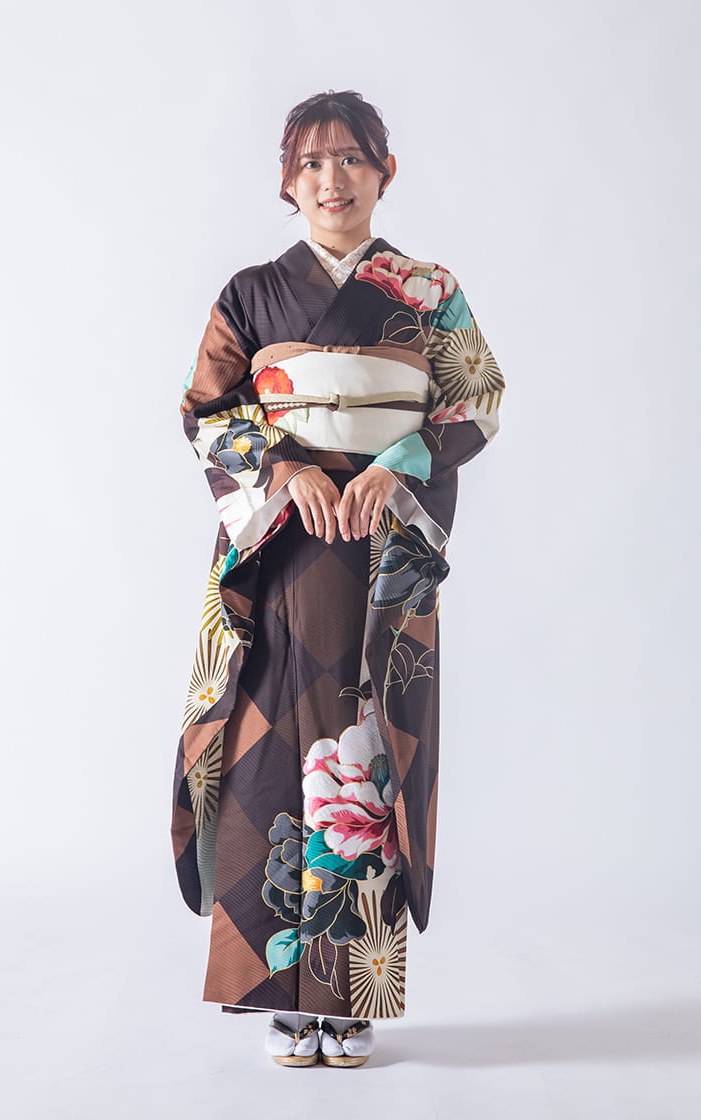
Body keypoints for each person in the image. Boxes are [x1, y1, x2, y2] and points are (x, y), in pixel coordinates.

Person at [170, 89, 505, 1068]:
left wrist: (396, 468)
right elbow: (206, 408)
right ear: (288, 180)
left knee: (367, 753)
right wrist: (285, 468)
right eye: (311, 163)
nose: (332, 180)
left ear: (384, 172)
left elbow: (477, 400)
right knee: (266, 749)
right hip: (281, 547)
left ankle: (348, 995)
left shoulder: (427, 291)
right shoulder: (250, 293)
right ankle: (279, 996)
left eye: (351, 159)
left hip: (381, 548)